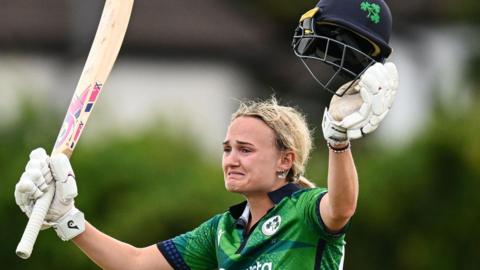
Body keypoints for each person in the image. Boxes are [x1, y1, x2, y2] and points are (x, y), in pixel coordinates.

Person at [14, 0, 399, 269]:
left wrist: (338, 142)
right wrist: (67, 218)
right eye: (228, 148)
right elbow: (133, 263)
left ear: (286, 159)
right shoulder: (222, 232)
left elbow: (342, 206)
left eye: (246, 149)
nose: (231, 158)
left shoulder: (306, 211)